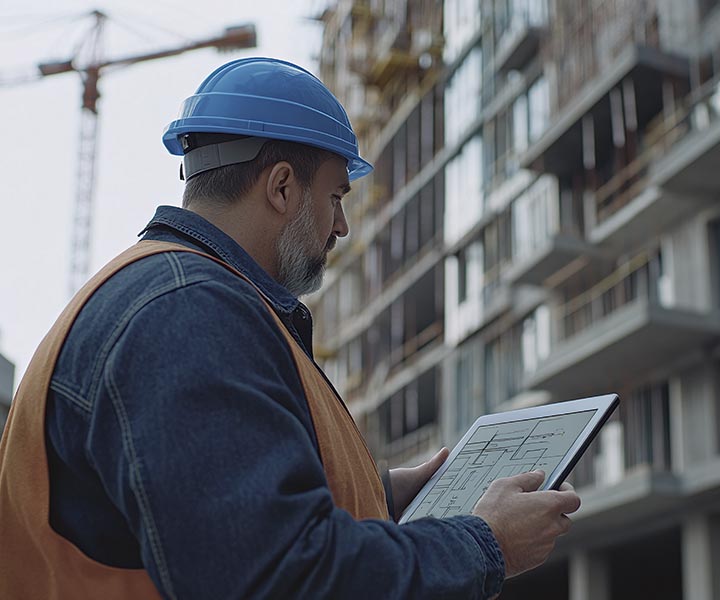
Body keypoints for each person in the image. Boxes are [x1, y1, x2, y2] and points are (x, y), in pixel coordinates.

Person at [0, 57, 580, 599]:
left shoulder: (179, 295)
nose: (343, 225)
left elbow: (220, 520)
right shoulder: (187, 313)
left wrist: (381, 494)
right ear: (281, 186)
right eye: (334, 197)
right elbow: (282, 576)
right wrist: (488, 543)